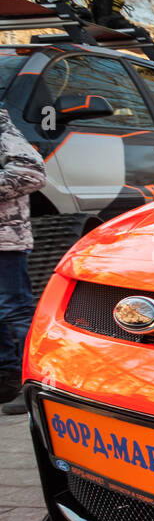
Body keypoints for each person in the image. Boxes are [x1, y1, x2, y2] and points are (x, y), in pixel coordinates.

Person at [0, 107, 46, 416]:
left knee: (12, 309)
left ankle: (33, 381)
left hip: (4, 241)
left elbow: (30, 172)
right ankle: (6, 381)